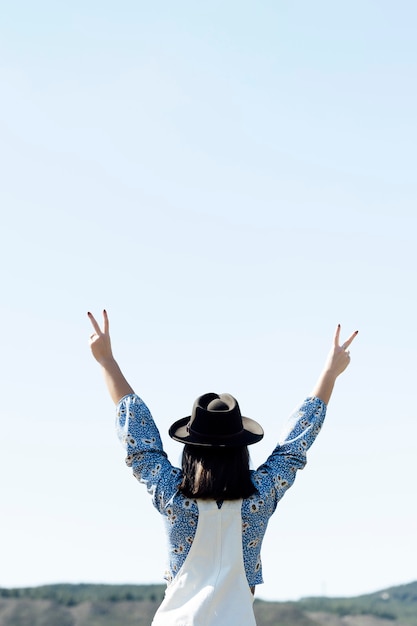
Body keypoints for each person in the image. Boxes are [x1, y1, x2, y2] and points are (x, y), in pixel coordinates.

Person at [88, 310, 357, 626]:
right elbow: (294, 446)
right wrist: (329, 374)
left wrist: (107, 362)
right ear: (242, 449)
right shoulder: (259, 498)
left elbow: (141, 441)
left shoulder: (173, 496)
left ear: (189, 449)